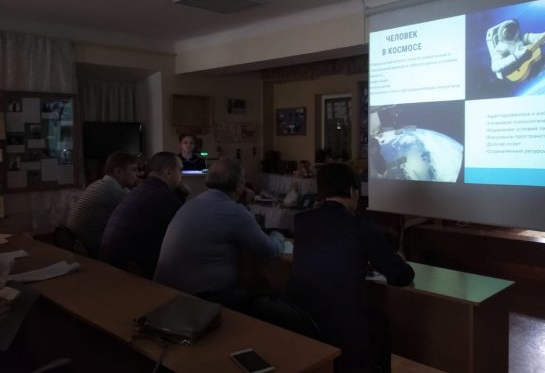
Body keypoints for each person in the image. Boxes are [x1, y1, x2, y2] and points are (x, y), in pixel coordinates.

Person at [287, 162, 415, 373]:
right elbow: (400, 275)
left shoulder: (302, 220)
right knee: (379, 324)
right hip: (343, 328)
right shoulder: (360, 224)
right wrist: (399, 257)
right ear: (353, 191)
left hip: (302, 319)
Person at [154, 157, 285, 310]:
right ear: (239, 185)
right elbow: (269, 250)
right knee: (270, 303)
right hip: (201, 300)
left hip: (165, 294)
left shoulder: (192, 203)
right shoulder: (234, 212)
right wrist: (278, 235)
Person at [99, 151, 189, 279]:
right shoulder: (164, 196)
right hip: (131, 273)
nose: (182, 175)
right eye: (180, 170)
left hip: (109, 264)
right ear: (168, 173)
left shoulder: (141, 189)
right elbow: (185, 233)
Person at [66, 152, 139, 256]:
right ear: (118, 171)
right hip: (91, 250)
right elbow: (138, 217)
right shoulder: (114, 191)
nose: (137, 174)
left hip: (76, 244)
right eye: (134, 170)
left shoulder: (98, 184)